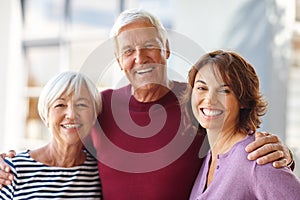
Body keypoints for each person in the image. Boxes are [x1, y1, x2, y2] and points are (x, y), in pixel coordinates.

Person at [0, 9, 294, 200]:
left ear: (166, 49)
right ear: (118, 61)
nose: (140, 58)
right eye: (128, 50)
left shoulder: (195, 101)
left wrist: (282, 155)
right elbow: (62, 150)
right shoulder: (100, 107)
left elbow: (238, 143)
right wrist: (12, 163)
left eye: (149, 46)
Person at [184, 50, 300, 199]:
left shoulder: (255, 159)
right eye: (202, 88)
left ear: (243, 100)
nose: (210, 99)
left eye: (224, 90)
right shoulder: (210, 154)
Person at [0, 71, 102, 199]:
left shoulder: (100, 171)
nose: (71, 114)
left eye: (81, 105)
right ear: (45, 116)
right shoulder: (11, 171)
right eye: (60, 104)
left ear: (94, 116)